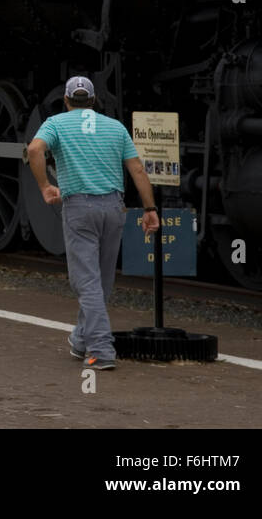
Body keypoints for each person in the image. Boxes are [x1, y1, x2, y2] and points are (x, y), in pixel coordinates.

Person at [27, 76, 160, 371]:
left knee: (86, 282)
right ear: (94, 100)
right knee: (101, 280)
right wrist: (149, 208)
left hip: (79, 207)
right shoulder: (115, 127)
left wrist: (45, 186)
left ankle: (100, 350)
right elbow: (137, 168)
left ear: (66, 100)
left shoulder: (56, 124)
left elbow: (34, 150)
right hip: (114, 207)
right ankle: (79, 340)